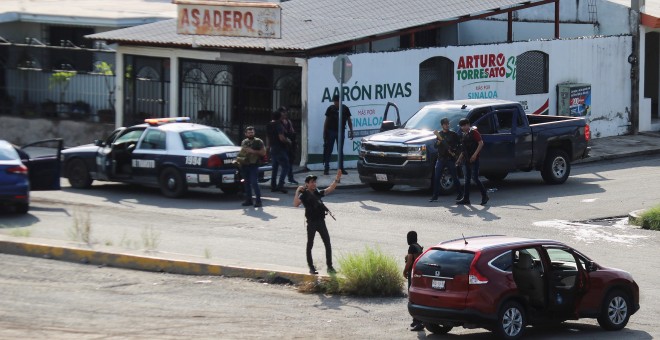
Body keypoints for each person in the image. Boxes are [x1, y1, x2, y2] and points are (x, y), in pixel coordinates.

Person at [293, 170, 343, 275]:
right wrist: (297, 191)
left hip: (321, 222)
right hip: (311, 223)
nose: (314, 184)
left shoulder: (317, 192)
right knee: (310, 244)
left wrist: (337, 179)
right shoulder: (304, 195)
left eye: (315, 182)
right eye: (311, 182)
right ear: (307, 184)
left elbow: (330, 189)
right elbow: (296, 204)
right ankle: (311, 267)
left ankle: (330, 266)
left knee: (327, 244)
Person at [455, 118, 489, 205]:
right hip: (466, 159)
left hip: (474, 159)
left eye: (464, 125)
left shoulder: (474, 132)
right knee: (467, 180)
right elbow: (464, 150)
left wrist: (475, 155)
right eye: (461, 126)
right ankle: (466, 199)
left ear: (468, 125)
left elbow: (481, 143)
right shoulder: (463, 135)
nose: (463, 127)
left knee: (475, 178)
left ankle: (485, 195)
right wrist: (459, 159)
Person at [429, 117, 462, 202]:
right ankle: (435, 196)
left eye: (447, 124)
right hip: (441, 158)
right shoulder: (439, 134)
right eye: (445, 124)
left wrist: (455, 152)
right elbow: (435, 146)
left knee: (455, 177)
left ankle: (460, 194)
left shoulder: (453, 134)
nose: (447, 125)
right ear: (442, 125)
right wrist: (439, 142)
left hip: (450, 158)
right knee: (437, 177)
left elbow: (459, 145)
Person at [323, 94, 354, 175]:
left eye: (337, 101)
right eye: (335, 101)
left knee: (340, 151)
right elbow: (326, 121)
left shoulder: (345, 108)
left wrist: (351, 131)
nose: (336, 103)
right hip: (331, 131)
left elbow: (349, 120)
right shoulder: (330, 108)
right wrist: (324, 132)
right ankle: (326, 168)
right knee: (328, 150)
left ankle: (341, 168)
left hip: (341, 132)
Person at [238, 126, 266, 207]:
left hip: (254, 164)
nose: (251, 134)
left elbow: (263, 152)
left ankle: (258, 201)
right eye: (249, 133)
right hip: (245, 164)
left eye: (252, 132)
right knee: (246, 183)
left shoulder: (258, 141)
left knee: (254, 182)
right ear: (246, 134)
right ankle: (249, 200)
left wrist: (253, 151)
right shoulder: (244, 142)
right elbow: (244, 151)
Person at [403, 230, 424, 331]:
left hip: (413, 273)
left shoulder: (412, 247)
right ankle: (416, 320)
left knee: (413, 297)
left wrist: (404, 271)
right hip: (418, 273)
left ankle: (418, 321)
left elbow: (410, 260)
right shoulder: (418, 246)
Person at [267, 110, 291, 193]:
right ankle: (280, 185)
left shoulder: (269, 124)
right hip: (280, 148)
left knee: (275, 168)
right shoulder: (278, 125)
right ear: (279, 117)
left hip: (273, 148)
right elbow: (281, 137)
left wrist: (268, 147)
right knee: (285, 166)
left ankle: (273, 186)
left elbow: (268, 137)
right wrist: (288, 141)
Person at [280, 106, 298, 184]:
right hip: (282, 145)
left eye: (285, 112)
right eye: (283, 112)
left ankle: (290, 178)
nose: (285, 113)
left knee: (290, 162)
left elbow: (292, 131)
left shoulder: (288, 121)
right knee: (284, 163)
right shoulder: (278, 123)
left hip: (290, 144)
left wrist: (295, 142)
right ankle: (282, 180)